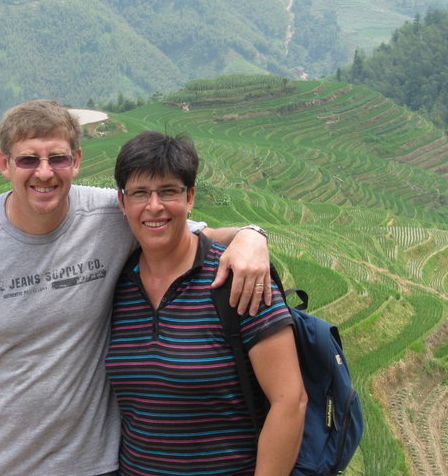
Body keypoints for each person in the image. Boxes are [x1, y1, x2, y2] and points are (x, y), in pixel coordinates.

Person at [0, 100, 272, 476]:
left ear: (77, 160)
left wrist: (253, 235)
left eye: (58, 159)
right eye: (27, 160)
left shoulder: (112, 215)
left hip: (93, 465)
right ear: (4, 164)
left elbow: (188, 232)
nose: (44, 173)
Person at [106, 131, 307, 475]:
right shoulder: (118, 285)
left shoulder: (238, 278)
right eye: (140, 193)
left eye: (168, 191)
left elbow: (290, 401)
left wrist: (252, 233)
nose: (154, 206)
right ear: (123, 203)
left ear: (190, 198)